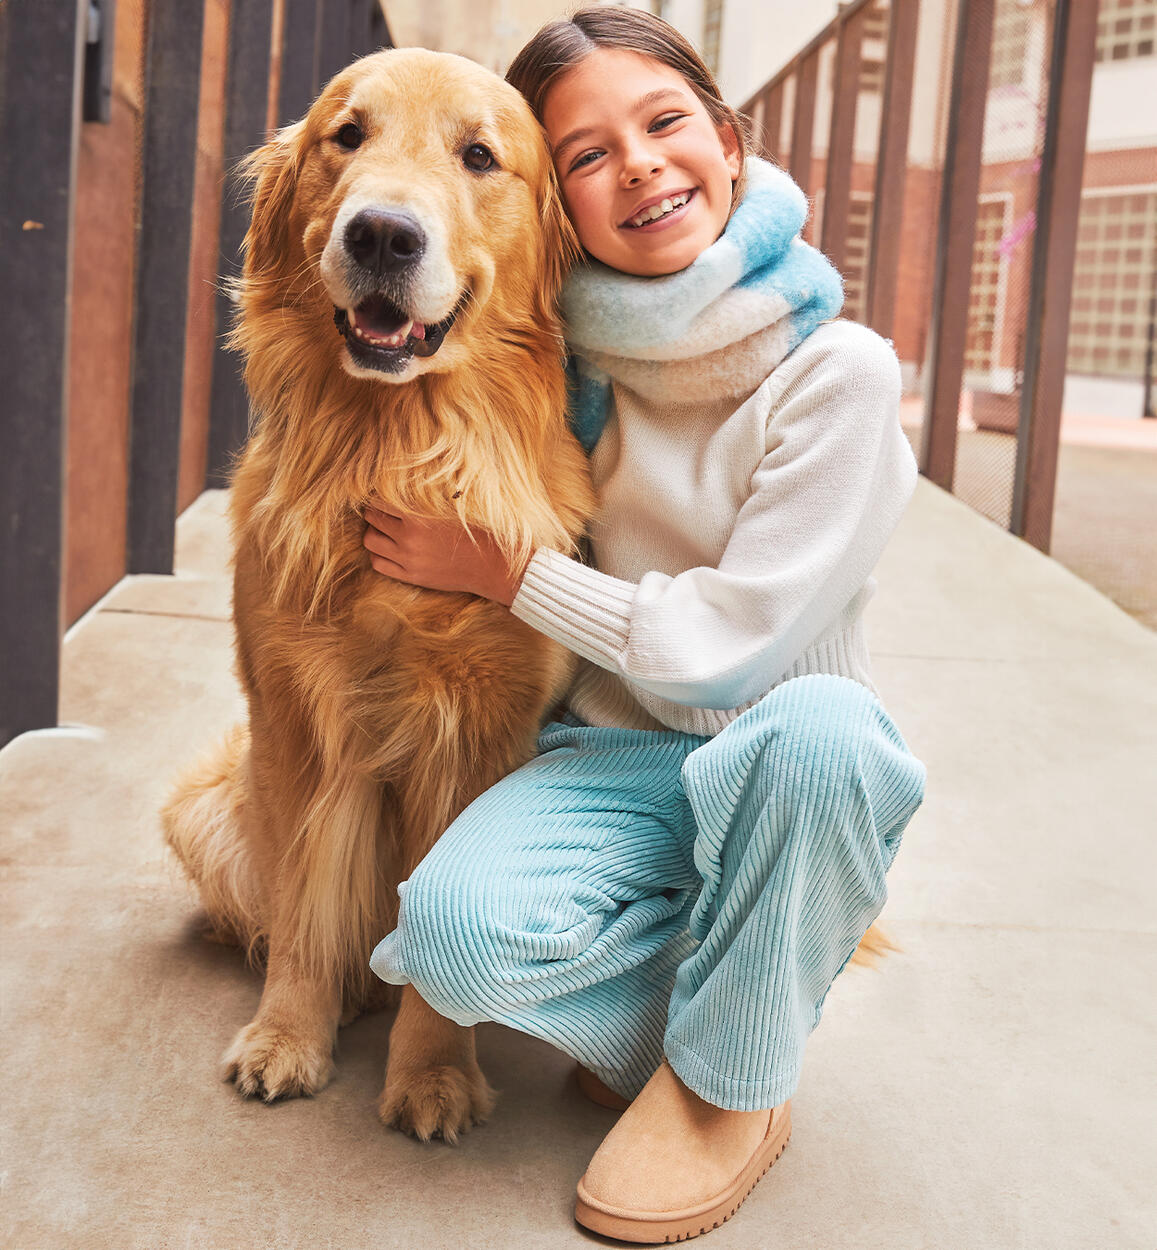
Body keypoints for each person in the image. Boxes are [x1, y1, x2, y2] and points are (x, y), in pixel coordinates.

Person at [362, 8, 926, 1243]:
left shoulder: (840, 372)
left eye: (664, 123)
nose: (639, 165)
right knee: (448, 942)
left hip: (779, 756)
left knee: (828, 729)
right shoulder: (562, 359)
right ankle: (739, 978)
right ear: (556, 205)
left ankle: (731, 1084)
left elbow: (730, 644)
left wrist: (503, 574)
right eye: (584, 153)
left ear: (725, 140)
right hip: (613, 760)